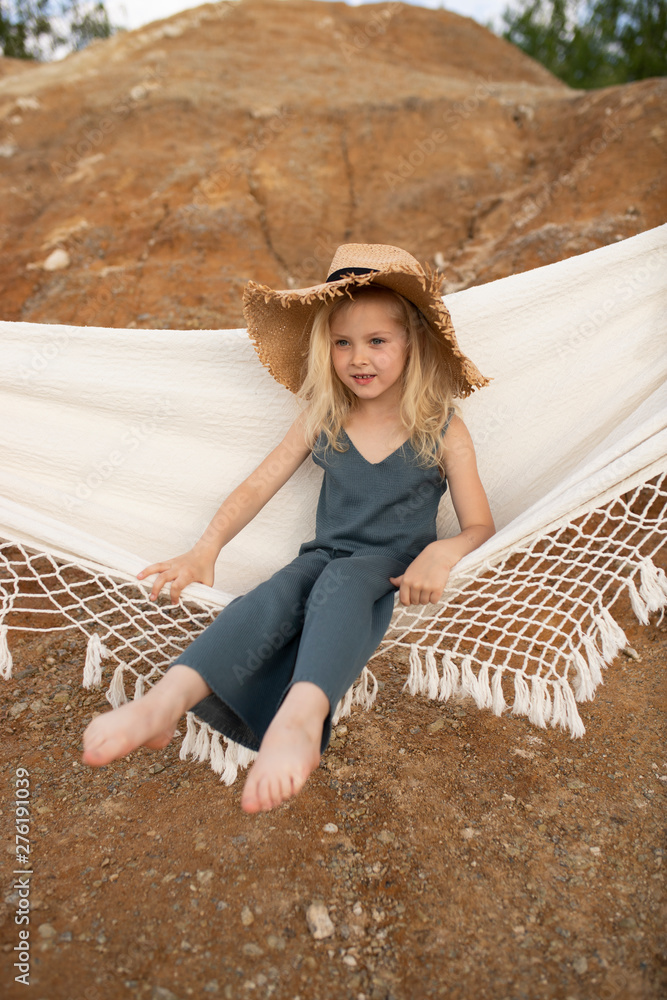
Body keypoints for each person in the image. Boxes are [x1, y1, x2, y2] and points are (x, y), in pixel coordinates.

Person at [82, 243, 495, 814]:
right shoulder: (323, 419)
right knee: (274, 593)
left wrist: (444, 552)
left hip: (384, 569)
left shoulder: (442, 429)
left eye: (377, 341)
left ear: (412, 343)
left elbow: (479, 525)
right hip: (323, 553)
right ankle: (165, 701)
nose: (358, 357)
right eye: (342, 342)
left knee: (341, 583)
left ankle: (300, 717)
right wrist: (206, 550)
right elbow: (257, 485)